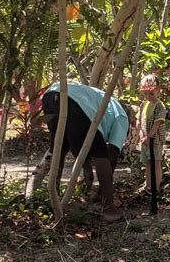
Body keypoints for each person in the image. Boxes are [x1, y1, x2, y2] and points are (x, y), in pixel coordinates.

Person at [42, 82, 129, 222]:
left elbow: (77, 139)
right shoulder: (122, 116)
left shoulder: (102, 100)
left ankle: (53, 201)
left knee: (60, 148)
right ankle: (109, 210)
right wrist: (103, 191)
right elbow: (112, 155)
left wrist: (87, 168)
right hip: (75, 101)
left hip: (50, 95)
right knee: (100, 153)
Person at [138, 74, 166, 191]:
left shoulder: (160, 106)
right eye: (146, 94)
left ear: (158, 91)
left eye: (151, 93)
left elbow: (157, 123)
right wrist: (141, 135)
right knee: (148, 163)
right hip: (144, 140)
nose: (148, 96)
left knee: (156, 162)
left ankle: (156, 186)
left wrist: (149, 136)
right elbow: (138, 121)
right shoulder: (143, 104)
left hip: (155, 140)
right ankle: (147, 184)